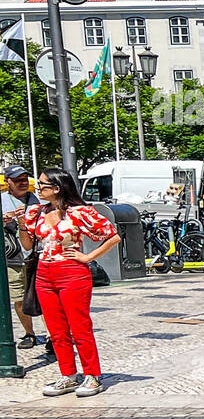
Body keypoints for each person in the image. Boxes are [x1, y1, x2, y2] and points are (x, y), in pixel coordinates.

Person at [19, 167, 121, 396]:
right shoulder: (35, 211)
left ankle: (92, 375)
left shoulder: (79, 212)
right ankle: (68, 375)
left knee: (80, 326)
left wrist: (87, 257)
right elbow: (27, 245)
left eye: (43, 185)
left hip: (72, 272)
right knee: (56, 330)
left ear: (56, 188)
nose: (38, 188)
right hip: (44, 273)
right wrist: (22, 225)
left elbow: (113, 236)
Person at [2, 165, 45, 352]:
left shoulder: (38, 201)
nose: (23, 182)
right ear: (8, 182)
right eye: (18, 179)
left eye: (25, 178)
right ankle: (29, 333)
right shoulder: (2, 200)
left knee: (45, 297)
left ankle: (53, 336)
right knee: (19, 298)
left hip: (37, 255)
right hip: (13, 257)